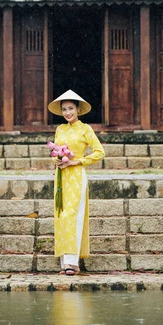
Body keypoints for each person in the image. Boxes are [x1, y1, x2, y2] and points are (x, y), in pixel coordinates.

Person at [48, 89, 105, 275]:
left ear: (78, 109)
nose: (67, 113)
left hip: (76, 177)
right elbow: (55, 151)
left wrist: (77, 161)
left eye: (71, 108)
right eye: (64, 109)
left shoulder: (85, 129)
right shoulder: (60, 129)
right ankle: (64, 262)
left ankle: (73, 262)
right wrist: (56, 160)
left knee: (73, 215)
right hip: (60, 177)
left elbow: (99, 152)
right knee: (61, 216)